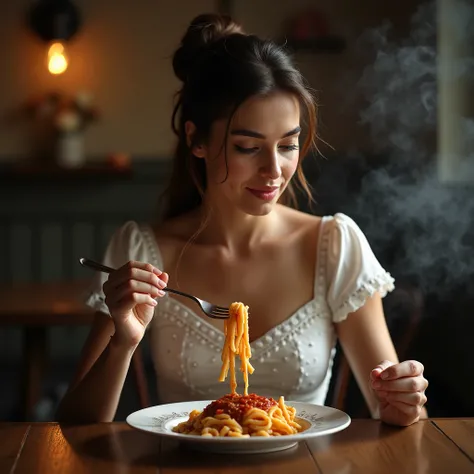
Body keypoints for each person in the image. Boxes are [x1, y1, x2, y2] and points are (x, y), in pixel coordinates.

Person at [56, 13, 428, 426]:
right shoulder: (144, 250)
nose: (273, 170)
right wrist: (123, 343)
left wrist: (403, 398)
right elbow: (75, 425)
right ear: (196, 140)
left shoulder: (335, 245)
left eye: (288, 145)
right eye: (248, 148)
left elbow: (392, 409)